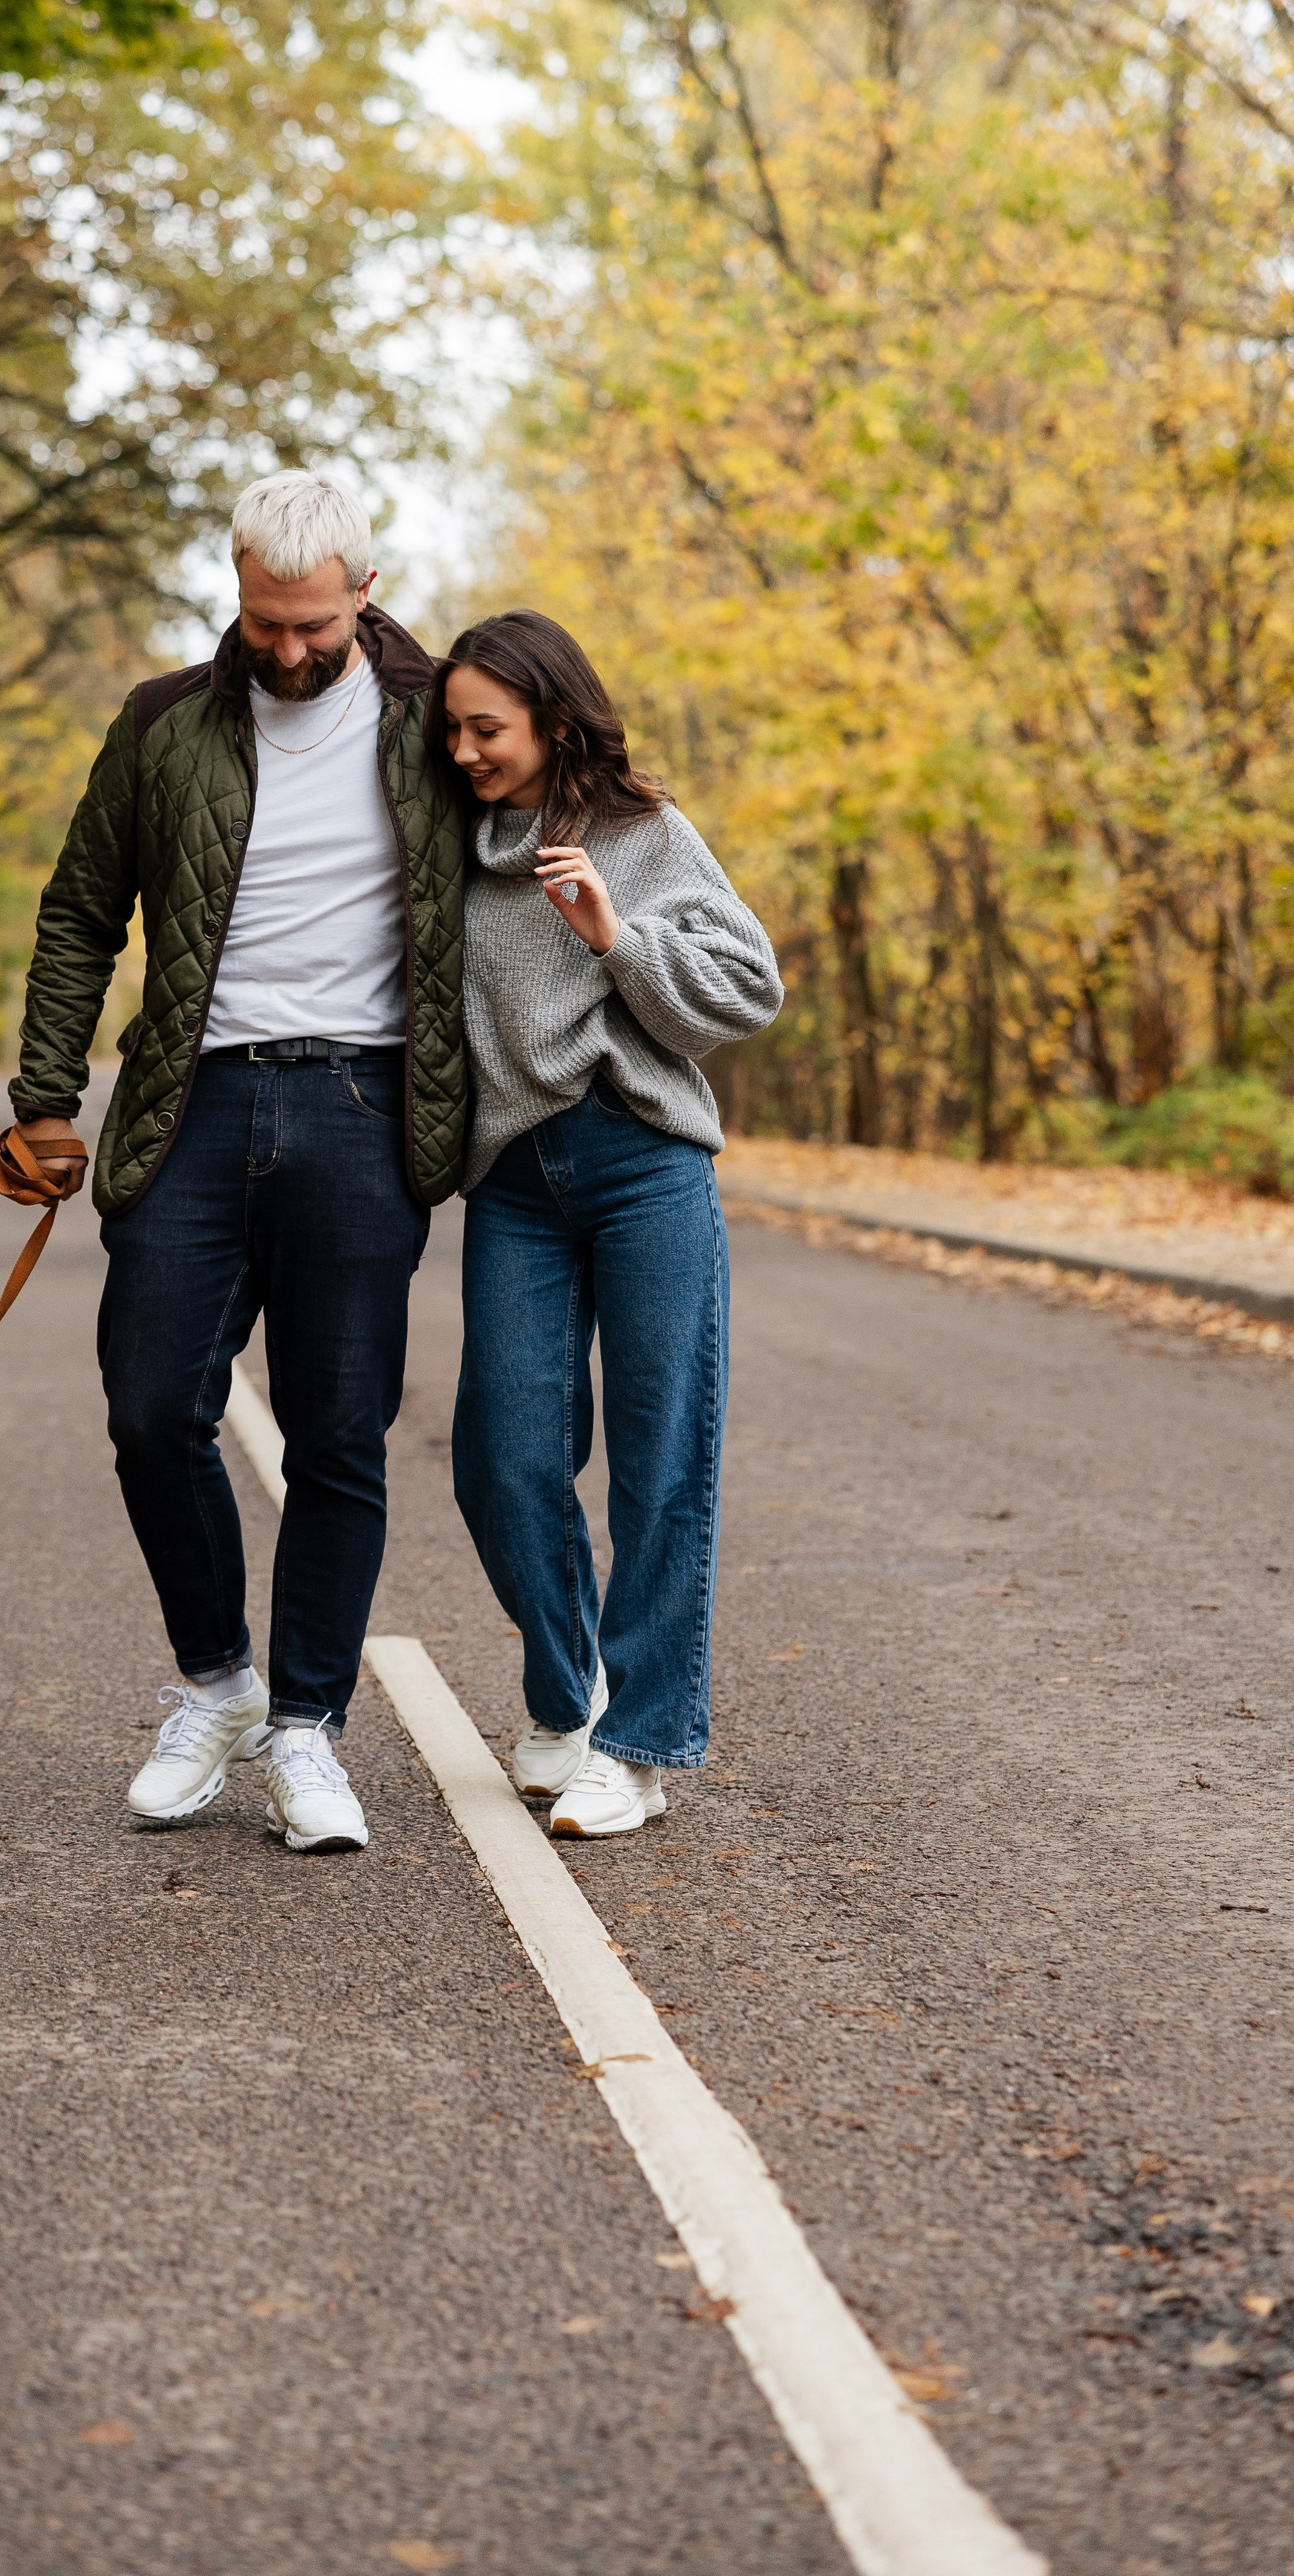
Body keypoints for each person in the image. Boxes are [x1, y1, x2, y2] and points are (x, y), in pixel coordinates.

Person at [5, 473, 466, 1854]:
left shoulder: (437, 716)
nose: (287, 648)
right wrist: (43, 1100)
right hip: (189, 1105)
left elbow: (541, 841)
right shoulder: (163, 722)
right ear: (238, 587)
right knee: (152, 1410)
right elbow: (82, 913)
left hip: (364, 1105)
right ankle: (217, 1687)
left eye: (314, 623)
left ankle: (309, 1729)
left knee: (337, 1434)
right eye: (265, 621)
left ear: (367, 593)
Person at [432, 610, 782, 1838]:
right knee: (503, 1456)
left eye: (487, 728)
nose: (466, 750)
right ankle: (564, 1694)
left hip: (643, 1164)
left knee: (660, 1460)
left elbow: (748, 987)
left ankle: (639, 1746)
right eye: (453, 730)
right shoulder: (453, 845)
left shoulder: (643, 834)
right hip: (515, 1181)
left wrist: (616, 938)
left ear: (552, 717)